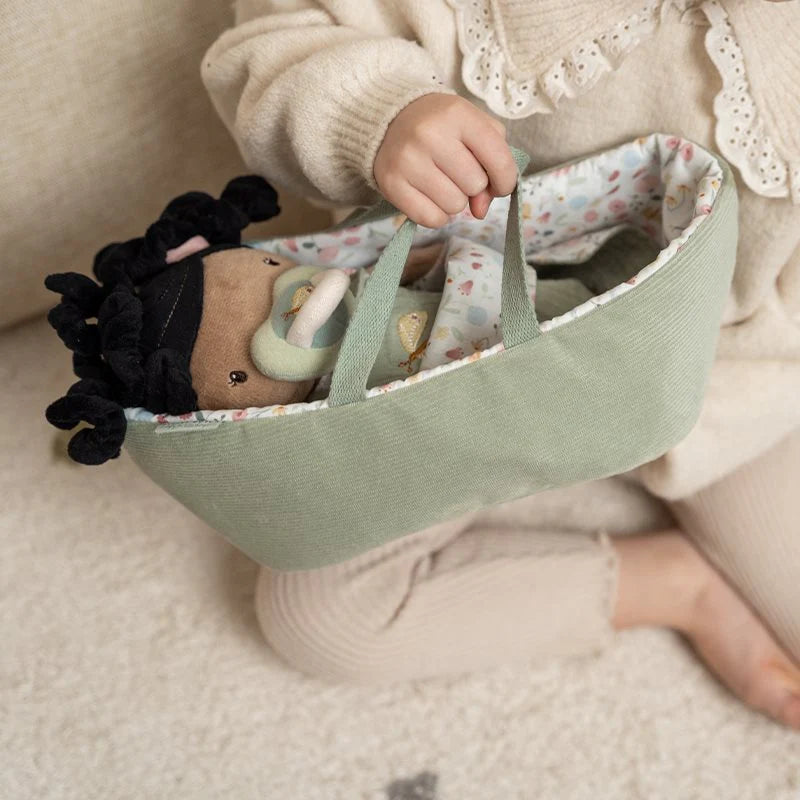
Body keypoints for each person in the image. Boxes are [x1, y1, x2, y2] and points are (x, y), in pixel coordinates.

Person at [201, 0, 800, 728]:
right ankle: (683, 585)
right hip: (436, 348)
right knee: (321, 616)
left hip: (726, 372)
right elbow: (275, 43)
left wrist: (712, 396)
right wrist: (378, 115)